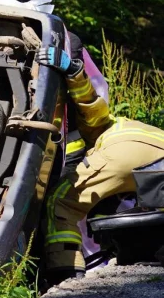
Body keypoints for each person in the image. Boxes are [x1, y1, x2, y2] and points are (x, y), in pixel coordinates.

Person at [37, 42, 164, 284]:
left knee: (62, 204)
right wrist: (74, 72)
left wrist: (73, 73)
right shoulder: (129, 123)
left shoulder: (100, 131)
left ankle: (66, 275)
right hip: (156, 152)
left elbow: (94, 113)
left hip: (121, 149)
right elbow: (93, 105)